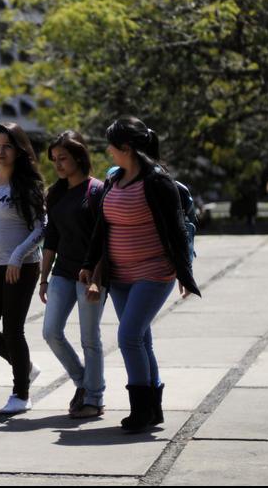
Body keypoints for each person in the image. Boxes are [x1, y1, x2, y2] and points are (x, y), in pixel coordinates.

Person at [80, 117, 201, 433]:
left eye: (112, 145)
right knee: (141, 338)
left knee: (128, 336)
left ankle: (140, 410)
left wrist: (184, 274)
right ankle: (153, 409)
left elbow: (176, 229)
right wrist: (89, 265)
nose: (107, 150)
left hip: (154, 271)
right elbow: (101, 228)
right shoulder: (113, 179)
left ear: (128, 148)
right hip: (119, 274)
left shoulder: (158, 182)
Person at [0, 122, 47, 415]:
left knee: (13, 330)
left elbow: (43, 227)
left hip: (21, 266)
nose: (0, 151)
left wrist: (17, 256)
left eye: (7, 145)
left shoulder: (27, 184)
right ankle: (26, 367)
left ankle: (21, 393)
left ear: (19, 150)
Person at [40, 131, 107, 418]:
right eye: (54, 159)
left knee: (89, 338)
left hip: (90, 275)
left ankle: (93, 399)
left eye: (63, 158)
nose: (58, 164)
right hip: (62, 273)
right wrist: (43, 278)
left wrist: (95, 278)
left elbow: (106, 239)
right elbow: (50, 239)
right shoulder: (55, 194)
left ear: (79, 156)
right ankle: (84, 382)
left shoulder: (97, 191)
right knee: (51, 332)